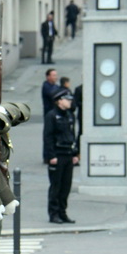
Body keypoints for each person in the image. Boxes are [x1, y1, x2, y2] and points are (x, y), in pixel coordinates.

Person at [44, 88, 79, 223]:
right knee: (56, 186)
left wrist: (75, 153)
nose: (69, 102)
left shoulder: (69, 115)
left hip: (68, 154)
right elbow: (48, 137)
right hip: (57, 155)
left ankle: (62, 212)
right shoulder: (52, 116)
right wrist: (51, 155)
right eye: (67, 99)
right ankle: (53, 213)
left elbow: (72, 134)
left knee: (66, 186)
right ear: (59, 101)